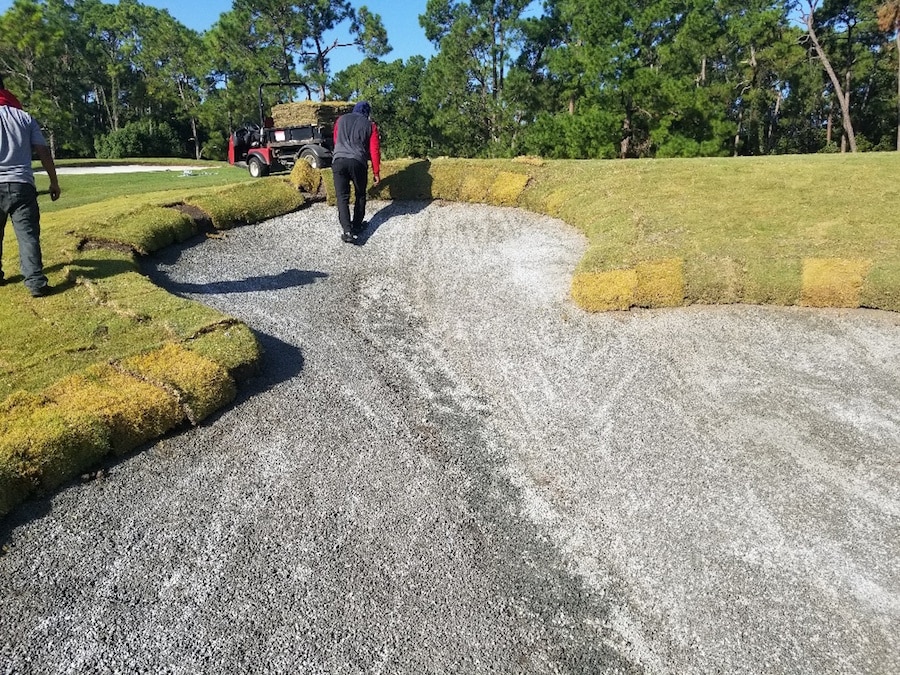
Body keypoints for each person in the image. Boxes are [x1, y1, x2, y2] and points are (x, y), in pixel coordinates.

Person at [0, 75, 60, 297]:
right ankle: (35, 283)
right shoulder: (24, 117)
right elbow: (43, 151)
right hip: (22, 184)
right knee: (28, 236)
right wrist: (54, 182)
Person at [331, 101, 380, 244]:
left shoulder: (340, 120)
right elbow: (374, 150)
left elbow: (335, 139)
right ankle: (357, 226)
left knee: (342, 197)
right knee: (360, 194)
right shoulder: (370, 125)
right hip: (358, 162)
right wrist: (376, 172)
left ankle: (347, 231)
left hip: (338, 160)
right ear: (367, 113)